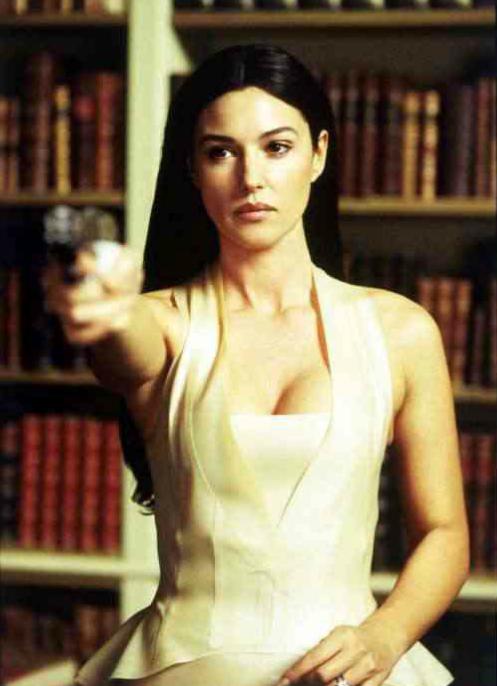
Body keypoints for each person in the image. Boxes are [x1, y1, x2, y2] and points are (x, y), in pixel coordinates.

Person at [43, 44, 469, 686]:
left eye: (276, 148)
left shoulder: (399, 331)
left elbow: (445, 532)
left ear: (317, 154)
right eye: (222, 152)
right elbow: (123, 343)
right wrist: (105, 303)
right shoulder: (165, 323)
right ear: (192, 169)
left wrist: (384, 637)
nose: (251, 178)